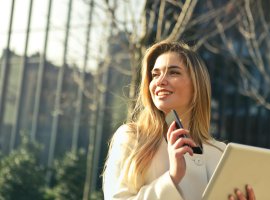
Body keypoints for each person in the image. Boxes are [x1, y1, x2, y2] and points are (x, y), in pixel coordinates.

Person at [102, 40, 255, 200]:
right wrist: (172, 178)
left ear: (197, 85)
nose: (160, 81)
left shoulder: (220, 153)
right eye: (155, 74)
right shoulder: (132, 137)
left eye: (173, 72)